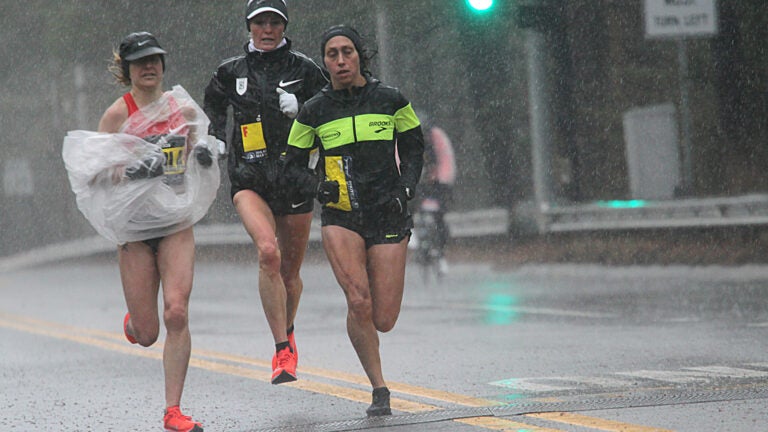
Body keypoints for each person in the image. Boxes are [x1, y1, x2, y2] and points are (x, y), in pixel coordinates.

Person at [63, 32, 219, 432]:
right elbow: (93, 173)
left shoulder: (182, 108)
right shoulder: (117, 114)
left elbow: (202, 152)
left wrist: (202, 151)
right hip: (134, 228)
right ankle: (134, 322)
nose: (149, 67)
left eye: (155, 60)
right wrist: (130, 168)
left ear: (163, 65)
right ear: (127, 70)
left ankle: (173, 411)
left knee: (177, 312)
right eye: (140, 62)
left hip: (175, 222)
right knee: (149, 333)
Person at [283, 25, 424, 416]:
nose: (341, 60)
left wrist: (406, 188)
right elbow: (291, 165)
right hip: (341, 216)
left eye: (347, 52)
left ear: (360, 55)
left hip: (387, 213)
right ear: (324, 61)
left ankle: (367, 331)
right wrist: (317, 186)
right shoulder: (314, 110)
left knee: (384, 318)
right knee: (358, 300)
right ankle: (379, 388)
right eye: (332, 54)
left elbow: (414, 150)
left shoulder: (391, 100)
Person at [203, 0, 328, 385]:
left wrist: (304, 108)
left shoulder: (305, 69)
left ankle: (288, 333)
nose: (268, 30)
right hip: (250, 179)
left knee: (290, 274)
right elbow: (212, 106)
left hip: (294, 178)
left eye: (275, 23)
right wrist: (214, 138)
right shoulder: (230, 71)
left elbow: (332, 112)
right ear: (249, 27)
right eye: (261, 23)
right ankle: (280, 351)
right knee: (268, 253)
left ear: (285, 26)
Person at [415, 112, 456, 274]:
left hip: (436, 180)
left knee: (439, 215)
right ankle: (413, 236)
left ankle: (441, 252)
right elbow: (398, 160)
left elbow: (446, 159)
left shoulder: (437, 137)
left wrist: (444, 181)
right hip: (416, 180)